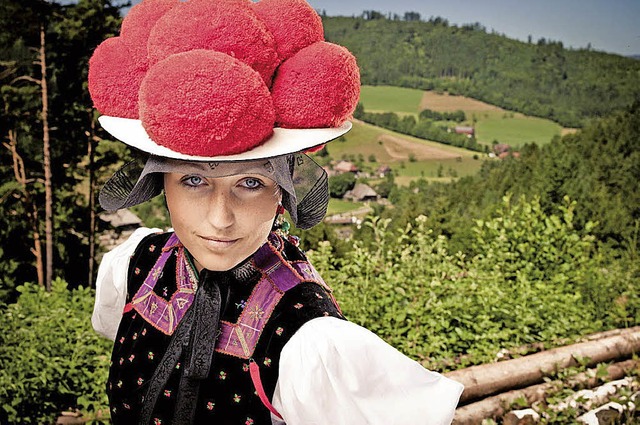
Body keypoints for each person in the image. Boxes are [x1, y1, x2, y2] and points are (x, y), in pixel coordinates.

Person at [89, 0, 464, 424]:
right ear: (162, 184)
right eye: (194, 181)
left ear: (282, 193)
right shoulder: (135, 266)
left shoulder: (311, 341)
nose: (220, 219)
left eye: (250, 184)